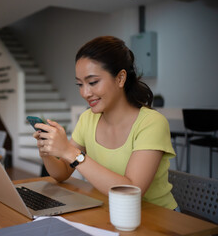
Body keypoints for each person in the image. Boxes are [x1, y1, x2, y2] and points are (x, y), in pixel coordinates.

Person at [33, 36, 177, 210]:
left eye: (93, 82)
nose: (85, 93)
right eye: (80, 84)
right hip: (109, 212)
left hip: (159, 220)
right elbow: (62, 173)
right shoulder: (88, 119)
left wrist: (71, 153)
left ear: (120, 78)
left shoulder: (152, 123)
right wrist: (47, 151)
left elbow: (132, 191)